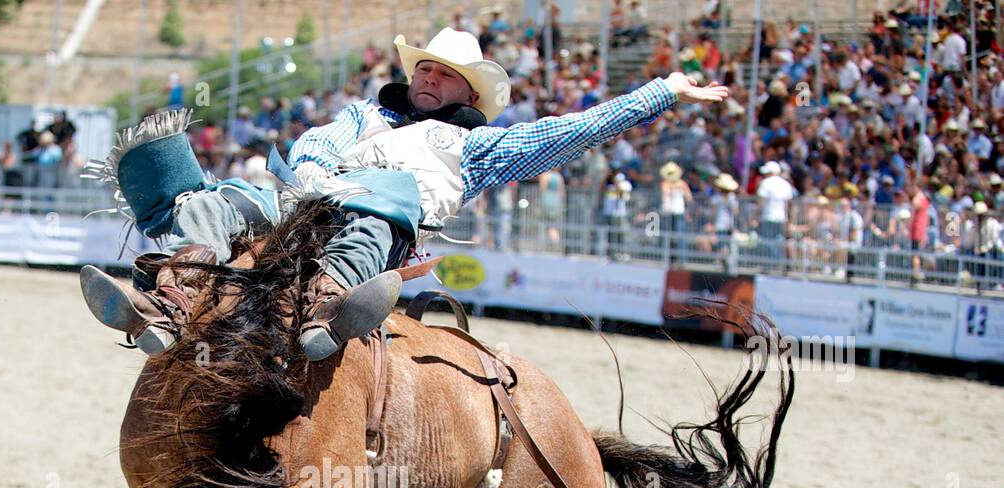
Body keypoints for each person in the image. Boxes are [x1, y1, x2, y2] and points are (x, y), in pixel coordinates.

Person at [81, 27, 727, 358]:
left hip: (379, 216)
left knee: (375, 223)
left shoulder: (475, 150)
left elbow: (572, 131)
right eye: (424, 67)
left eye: (444, 75)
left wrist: (662, 92)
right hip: (308, 196)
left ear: (467, 96)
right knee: (224, 201)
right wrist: (310, 171)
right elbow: (320, 140)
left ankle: (325, 310)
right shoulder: (367, 115)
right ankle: (170, 298)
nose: (428, 77)